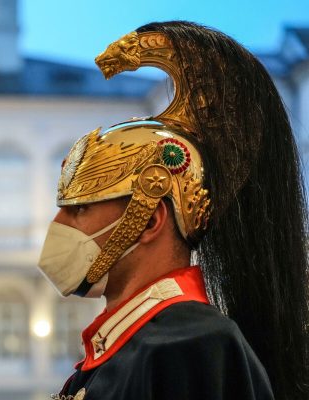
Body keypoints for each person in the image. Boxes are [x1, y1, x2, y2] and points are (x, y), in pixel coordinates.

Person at [37, 21, 309, 400]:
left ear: (149, 220)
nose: (57, 225)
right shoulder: (128, 345)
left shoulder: (191, 347)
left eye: (79, 209)